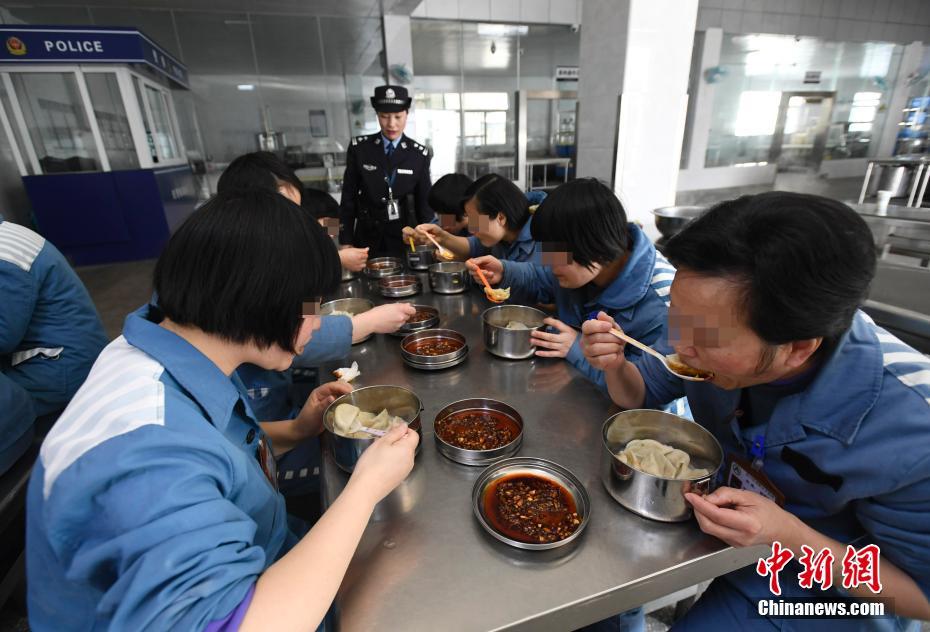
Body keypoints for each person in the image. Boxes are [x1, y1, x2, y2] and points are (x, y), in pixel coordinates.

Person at [26, 188, 420, 630]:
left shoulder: (166, 347)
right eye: (311, 309)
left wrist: (295, 429)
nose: (317, 324)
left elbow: (216, 454)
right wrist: (367, 486)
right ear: (262, 300)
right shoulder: (145, 462)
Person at [580, 192, 930, 630]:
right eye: (677, 317)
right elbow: (641, 393)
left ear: (799, 348)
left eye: (705, 339)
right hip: (734, 546)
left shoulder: (912, 429)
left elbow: (921, 596)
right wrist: (615, 365)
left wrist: (790, 537)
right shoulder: (704, 328)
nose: (680, 346)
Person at [466, 178, 675, 391]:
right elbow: (540, 278)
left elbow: (648, 393)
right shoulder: (580, 265)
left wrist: (577, 348)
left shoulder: (665, 304)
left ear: (594, 244)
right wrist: (504, 271)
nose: (549, 261)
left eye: (557, 254)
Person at [0, 218, 107, 473]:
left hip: (56, 372)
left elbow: (3, 335)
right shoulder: (8, 236)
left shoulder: (5, 256)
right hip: (53, 358)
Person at [217, 151, 370, 273]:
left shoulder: (313, 202)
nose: (285, 192)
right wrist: (336, 259)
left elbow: (338, 225)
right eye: (276, 188)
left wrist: (320, 230)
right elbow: (284, 274)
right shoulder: (249, 240)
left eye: (284, 183)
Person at [339, 85, 433, 258]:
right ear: (377, 115)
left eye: (398, 116)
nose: (391, 124)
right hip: (366, 235)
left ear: (407, 114)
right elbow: (348, 198)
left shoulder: (418, 154)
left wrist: (429, 238)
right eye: (384, 116)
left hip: (404, 237)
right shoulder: (359, 149)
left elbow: (425, 203)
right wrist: (345, 240)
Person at [403, 174, 544, 272]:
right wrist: (440, 237)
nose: (471, 229)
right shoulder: (498, 237)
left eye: (476, 220)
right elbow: (473, 245)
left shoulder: (549, 238)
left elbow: (555, 286)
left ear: (500, 218)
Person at [427, 172, 473, 236]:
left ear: (465, 212)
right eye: (438, 214)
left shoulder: (482, 223)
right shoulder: (438, 221)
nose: (444, 225)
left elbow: (477, 244)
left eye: (449, 218)